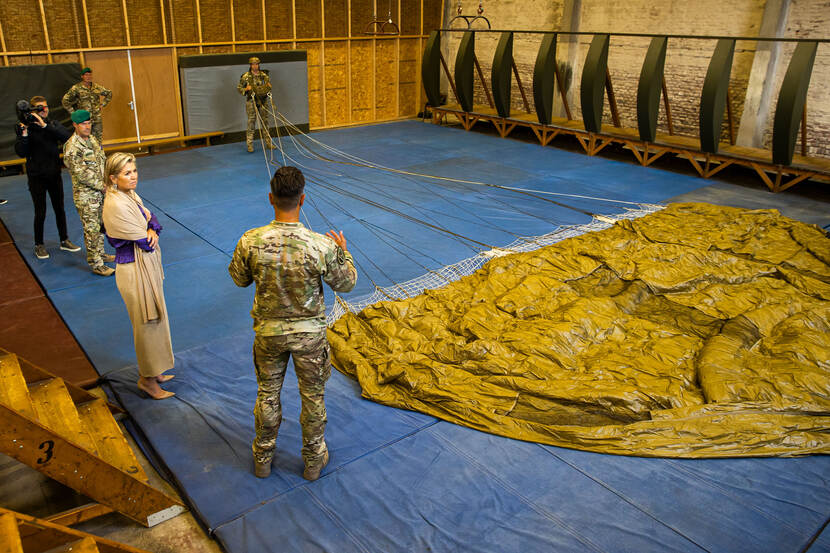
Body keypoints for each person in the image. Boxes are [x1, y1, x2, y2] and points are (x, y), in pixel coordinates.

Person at [228, 166, 357, 480]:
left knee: (267, 395)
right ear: (303, 200)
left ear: (271, 198)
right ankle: (313, 461)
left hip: (269, 334)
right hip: (309, 337)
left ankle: (263, 457)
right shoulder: (320, 245)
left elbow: (239, 279)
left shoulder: (250, 240)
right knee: (313, 397)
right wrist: (343, 253)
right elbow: (347, 284)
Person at [103, 152, 175, 400]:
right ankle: (147, 380)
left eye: (134, 171)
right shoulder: (115, 203)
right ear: (113, 178)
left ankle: (155, 372)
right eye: (126, 173)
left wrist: (150, 227)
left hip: (144, 267)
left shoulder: (129, 194)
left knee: (157, 320)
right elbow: (145, 241)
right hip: (134, 271)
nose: (133, 177)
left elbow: (151, 219)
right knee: (146, 325)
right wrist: (149, 230)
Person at [14, 96, 81, 259]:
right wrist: (24, 135)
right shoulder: (27, 127)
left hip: (54, 174)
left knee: (60, 209)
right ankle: (39, 244)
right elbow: (21, 152)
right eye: (38, 108)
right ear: (32, 110)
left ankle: (64, 240)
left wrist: (44, 125)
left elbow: (67, 138)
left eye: (45, 107)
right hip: (37, 177)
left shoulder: (52, 124)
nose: (43, 110)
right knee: (40, 211)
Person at [63, 109, 114, 276]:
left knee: (101, 226)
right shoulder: (72, 147)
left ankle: (100, 254)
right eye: (83, 124)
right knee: (91, 229)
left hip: (100, 192)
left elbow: (102, 161)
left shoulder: (92, 139)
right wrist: (103, 185)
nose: (87, 126)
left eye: (89, 123)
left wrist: (108, 179)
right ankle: (96, 263)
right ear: (75, 125)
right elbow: (81, 173)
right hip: (86, 196)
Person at [62, 67, 112, 145]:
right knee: (85, 141)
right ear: (82, 76)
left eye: (90, 75)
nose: (88, 77)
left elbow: (109, 94)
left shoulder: (97, 87)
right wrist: (73, 113)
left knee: (98, 141)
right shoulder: (76, 88)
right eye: (86, 75)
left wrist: (103, 104)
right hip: (84, 121)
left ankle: (98, 156)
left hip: (96, 119)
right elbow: (65, 100)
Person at [237, 56, 275, 153]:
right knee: (251, 122)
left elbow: (267, 87)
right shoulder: (246, 76)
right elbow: (239, 88)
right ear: (250, 65)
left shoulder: (264, 75)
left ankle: (268, 142)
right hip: (251, 101)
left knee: (265, 122)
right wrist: (246, 89)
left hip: (263, 101)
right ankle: (249, 144)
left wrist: (269, 87)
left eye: (257, 64)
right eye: (253, 64)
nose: (255, 66)